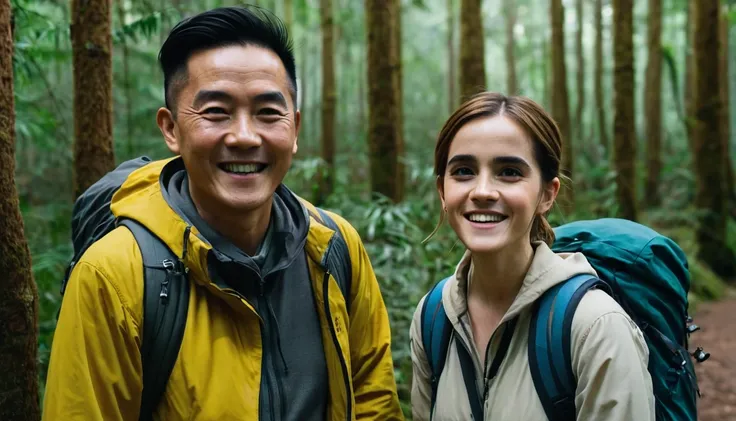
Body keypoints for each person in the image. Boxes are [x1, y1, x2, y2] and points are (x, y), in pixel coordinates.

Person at [43, 6, 403, 421]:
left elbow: (374, 405)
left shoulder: (334, 247)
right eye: (216, 112)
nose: (246, 137)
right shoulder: (115, 276)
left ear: (296, 128)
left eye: (269, 112)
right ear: (171, 129)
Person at [409, 92, 655, 420]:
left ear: (547, 194)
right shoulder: (433, 317)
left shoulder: (596, 328)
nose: (482, 191)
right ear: (442, 191)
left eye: (509, 172)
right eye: (464, 171)